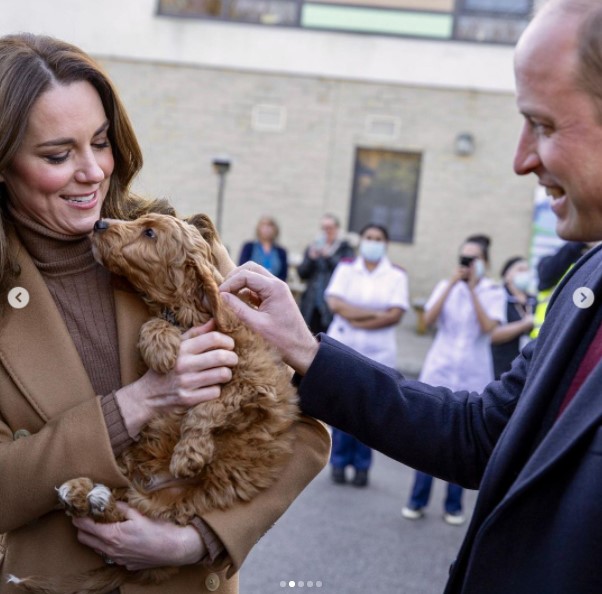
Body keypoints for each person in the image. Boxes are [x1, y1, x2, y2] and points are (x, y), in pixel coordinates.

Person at [219, 1, 602, 590]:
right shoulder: (589, 280)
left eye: (546, 126)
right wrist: (304, 348)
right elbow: (482, 434)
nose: (521, 158)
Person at [0, 33, 329, 594]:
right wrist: (138, 403)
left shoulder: (179, 251)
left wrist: (199, 536)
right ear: (3, 164)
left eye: (101, 143)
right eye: (58, 155)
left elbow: (300, 428)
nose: (93, 172)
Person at [401, 235, 506, 526]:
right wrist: (451, 285)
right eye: (464, 259)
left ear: (485, 263)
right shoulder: (445, 287)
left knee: (463, 437)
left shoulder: (492, 291)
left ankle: (454, 504)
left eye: (473, 260)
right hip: (441, 369)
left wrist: (473, 290)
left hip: (473, 372)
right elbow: (429, 320)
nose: (467, 265)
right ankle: (417, 498)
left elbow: (489, 328)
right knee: (428, 434)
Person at [324, 223, 408, 487]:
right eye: (369, 237)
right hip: (344, 346)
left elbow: (395, 315)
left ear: (386, 244)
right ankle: (338, 462)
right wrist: (374, 313)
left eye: (378, 238)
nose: (373, 242)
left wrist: (356, 316)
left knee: (370, 411)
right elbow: (336, 304)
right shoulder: (347, 268)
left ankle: (362, 467)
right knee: (342, 407)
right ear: (361, 241)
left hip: (378, 352)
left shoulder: (396, 275)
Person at [297, 213, 354, 334]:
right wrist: (311, 259)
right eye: (324, 228)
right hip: (311, 305)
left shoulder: (345, 248)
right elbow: (302, 273)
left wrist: (328, 256)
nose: (327, 231)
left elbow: (347, 272)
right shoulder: (313, 247)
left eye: (330, 228)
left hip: (332, 306)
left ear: (337, 229)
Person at [490, 256, 537, 379]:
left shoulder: (533, 300)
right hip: (500, 369)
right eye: (520, 270)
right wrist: (523, 325)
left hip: (526, 371)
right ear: (507, 275)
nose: (525, 274)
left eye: (527, 270)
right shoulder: (498, 298)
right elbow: (492, 335)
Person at [238, 215, 288, 281]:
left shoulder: (281, 252)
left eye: (269, 225)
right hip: (251, 284)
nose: (266, 228)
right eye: (263, 225)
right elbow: (242, 268)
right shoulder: (249, 247)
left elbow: (283, 275)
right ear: (258, 228)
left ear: (275, 229)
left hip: (274, 287)